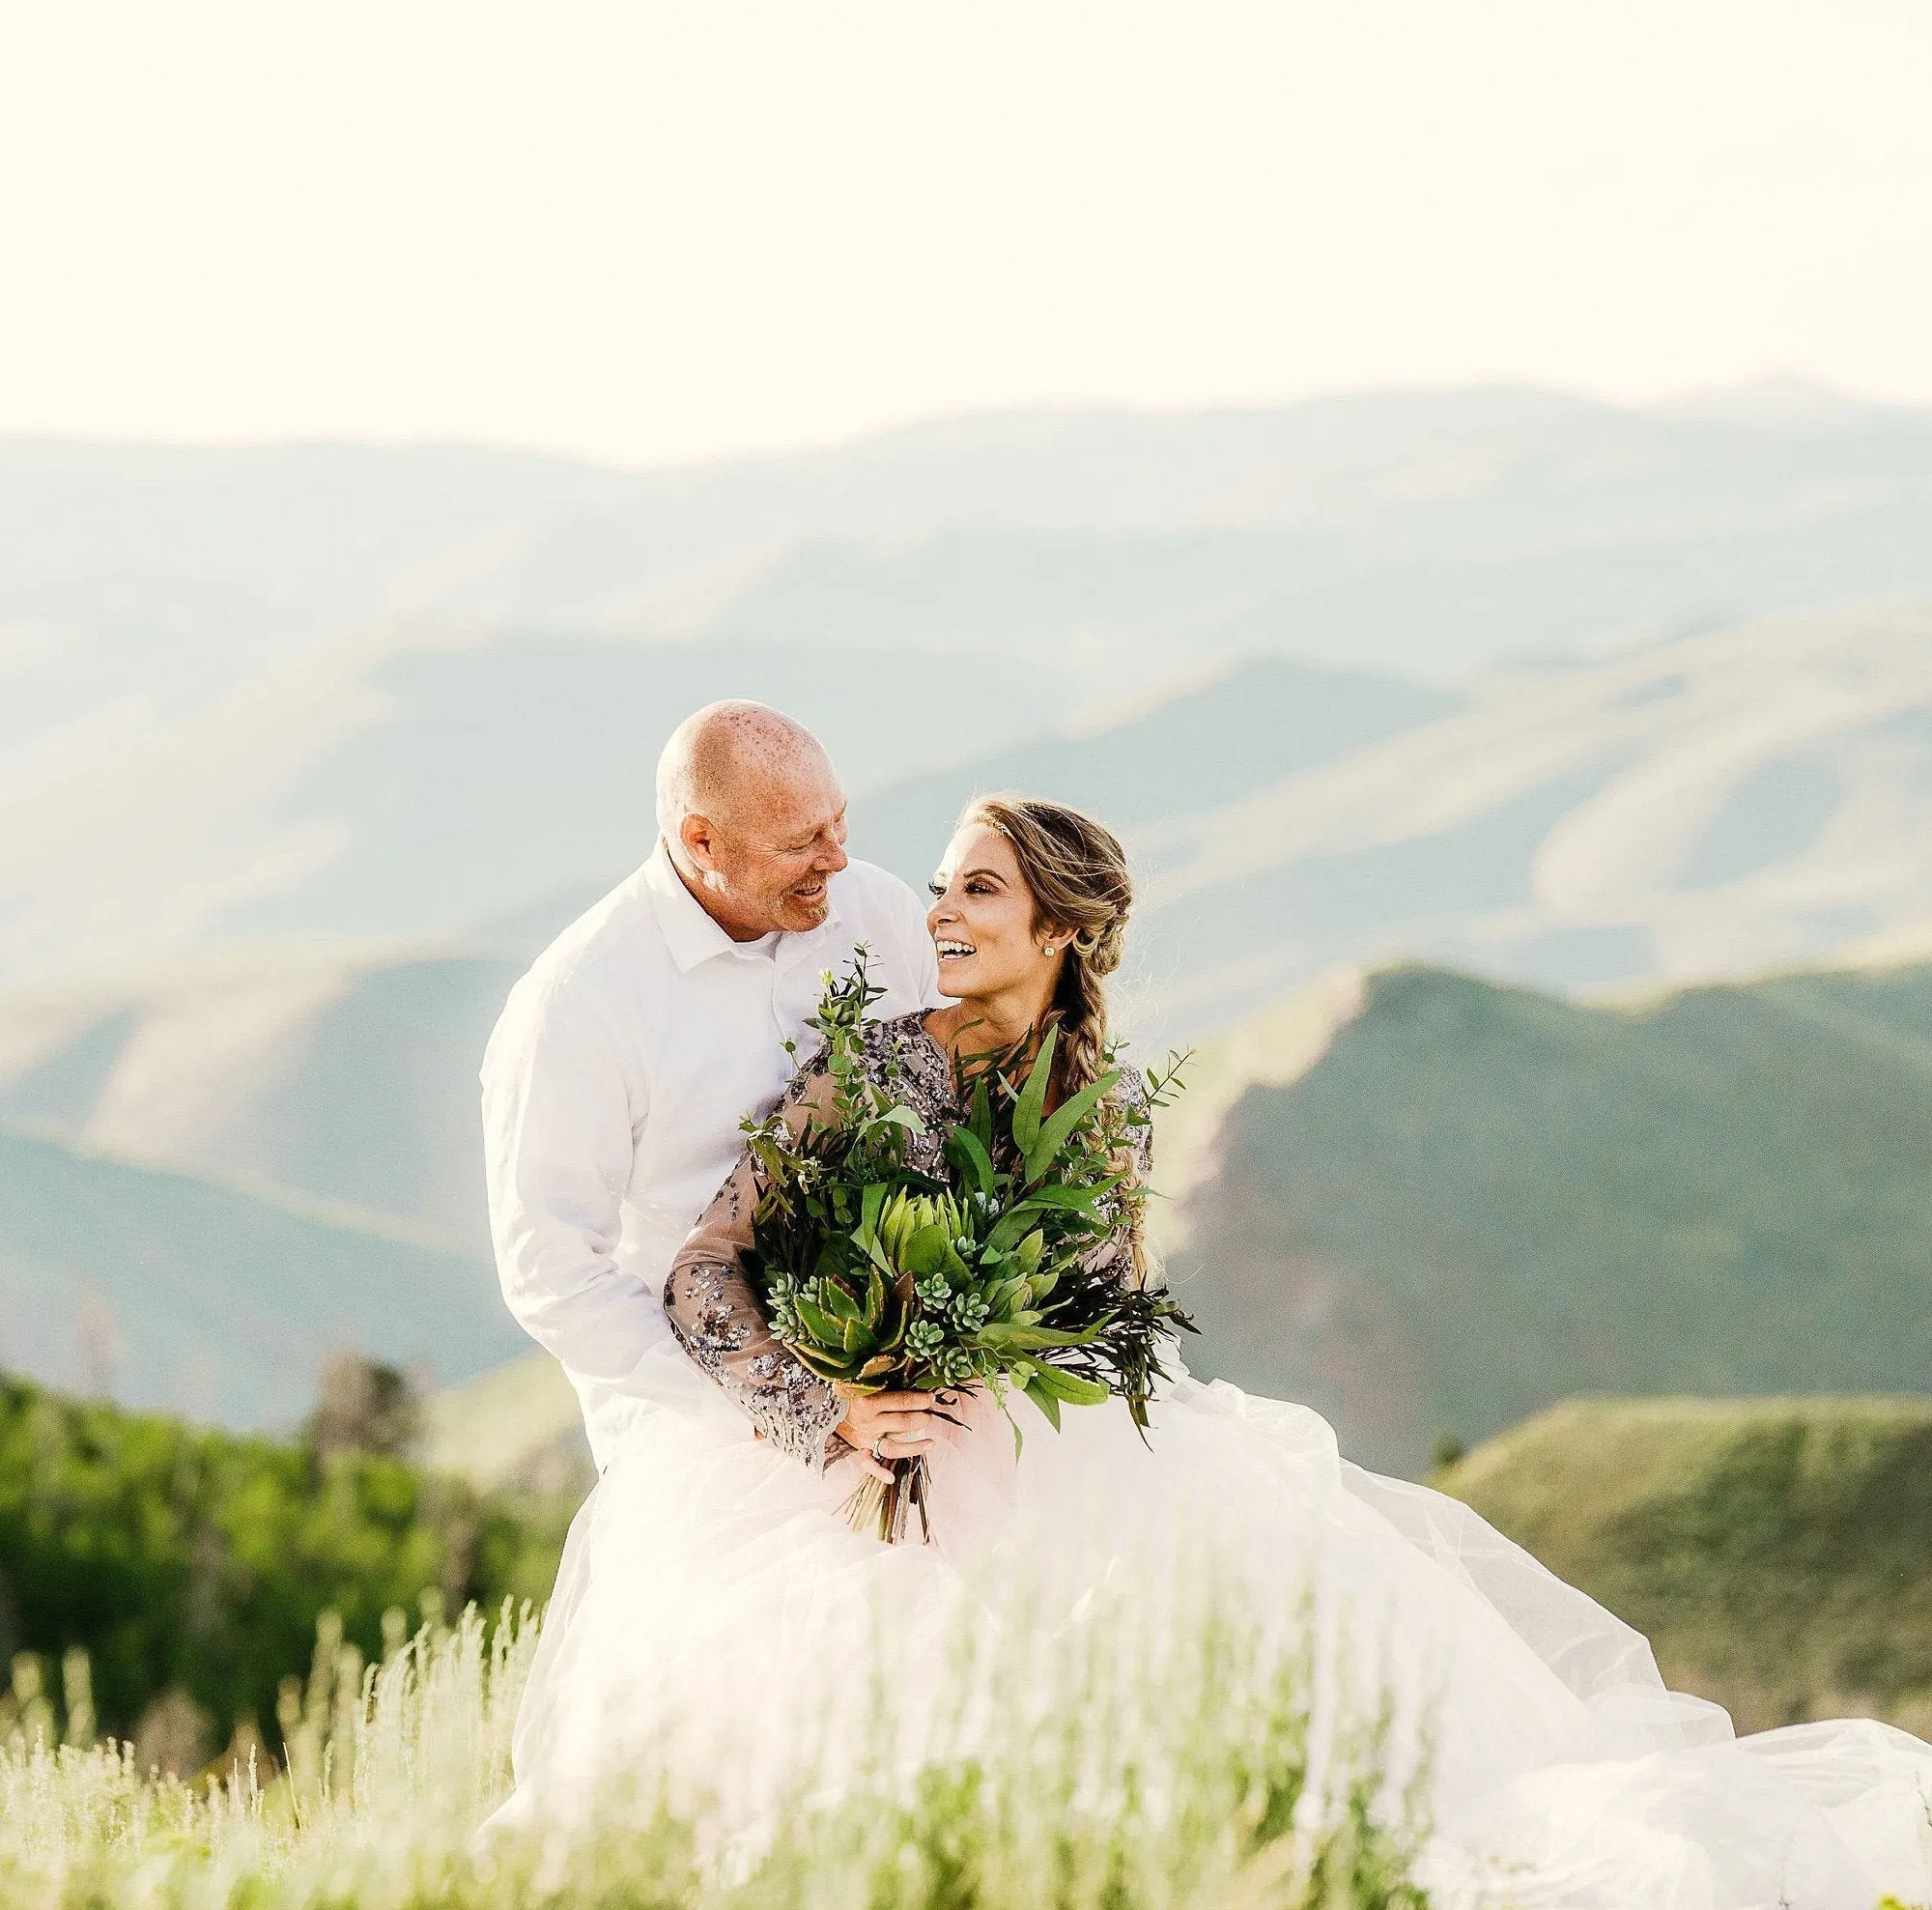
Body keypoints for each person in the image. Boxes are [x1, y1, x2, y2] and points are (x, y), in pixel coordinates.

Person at [498, 791, 1932, 1906]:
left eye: (976, 889)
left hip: (1073, 1466)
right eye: (939, 882)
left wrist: (1001, 1337)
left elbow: (1112, 1317)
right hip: (861, 1457)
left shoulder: (1098, 1103)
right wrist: (836, 1404)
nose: (934, 907)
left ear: (1062, 933)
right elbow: (702, 1274)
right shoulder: (871, 1062)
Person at [478, 699, 940, 1475]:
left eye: (839, 824)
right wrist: (783, 1402)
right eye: (801, 843)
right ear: (700, 841)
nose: (836, 859)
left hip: (915, 1380)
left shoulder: (883, 915)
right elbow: (548, 1267)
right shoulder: (579, 1002)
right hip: (702, 1434)